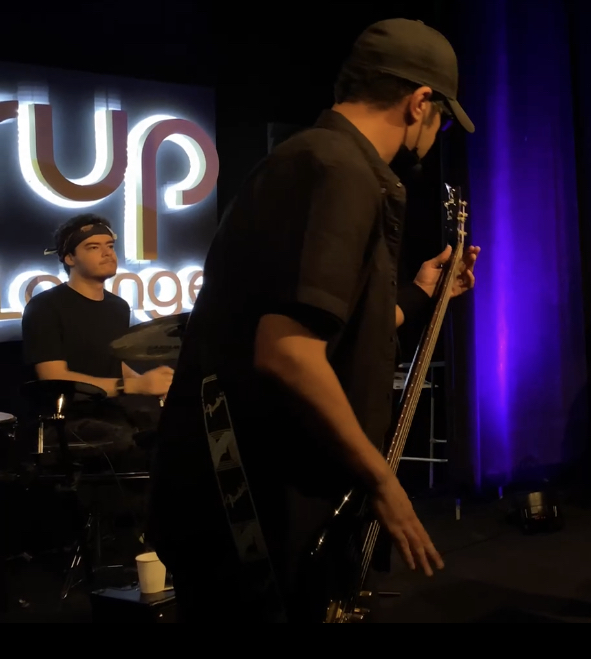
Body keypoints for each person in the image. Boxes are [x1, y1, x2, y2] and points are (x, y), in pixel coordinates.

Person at [147, 18, 480, 623]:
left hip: (257, 491)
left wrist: (421, 294)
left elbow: (330, 336)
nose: (438, 132)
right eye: (443, 118)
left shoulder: (319, 160)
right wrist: (383, 483)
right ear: (419, 103)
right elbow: (289, 352)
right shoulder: (338, 170)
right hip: (255, 499)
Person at [21, 214, 173, 459]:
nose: (107, 253)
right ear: (70, 258)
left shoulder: (118, 307)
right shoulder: (45, 307)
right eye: (93, 247)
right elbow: (54, 378)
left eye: (109, 246)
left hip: (110, 411)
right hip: (64, 419)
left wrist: (151, 383)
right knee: (124, 440)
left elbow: (111, 361)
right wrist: (134, 386)